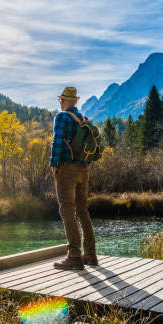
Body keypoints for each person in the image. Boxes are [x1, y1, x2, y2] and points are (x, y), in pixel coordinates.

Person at [49, 86, 97, 270]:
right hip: (83, 169)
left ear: (65, 101)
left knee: (67, 210)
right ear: (76, 101)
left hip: (66, 168)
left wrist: (54, 166)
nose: (60, 102)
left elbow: (57, 142)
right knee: (82, 210)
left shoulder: (61, 117)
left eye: (61, 100)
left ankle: (74, 255)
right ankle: (90, 254)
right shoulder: (84, 119)